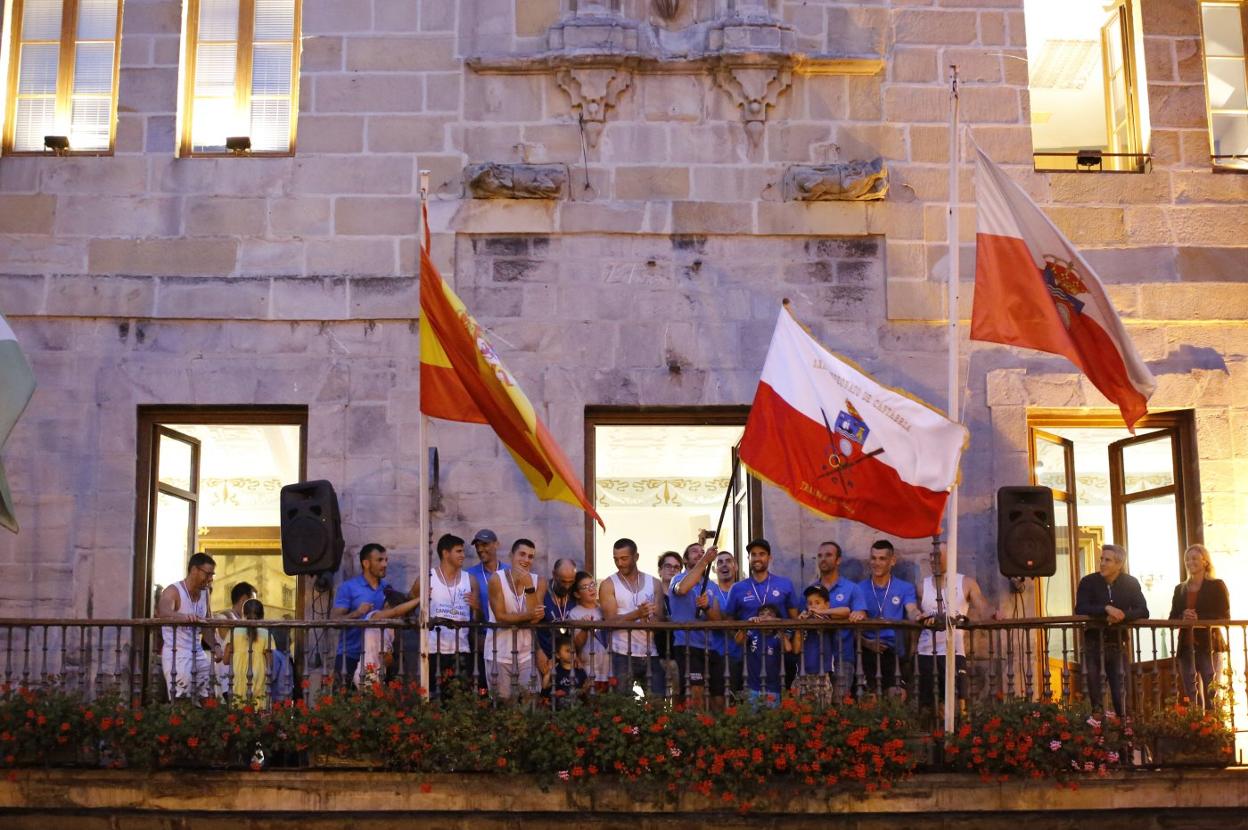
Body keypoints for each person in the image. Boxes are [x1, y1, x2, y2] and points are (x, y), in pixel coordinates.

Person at [1075, 543, 1148, 715]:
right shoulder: (1088, 581)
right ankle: (1098, 728)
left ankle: (1124, 728)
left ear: (1119, 564)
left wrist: (1122, 615)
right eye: (1101, 559)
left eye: (1107, 560)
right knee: (1095, 699)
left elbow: (1143, 611)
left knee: (1121, 696)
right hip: (1092, 646)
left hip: (1117, 645)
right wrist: (1106, 609)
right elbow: (1081, 608)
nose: (1102, 563)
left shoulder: (1130, 583)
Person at [915, 542, 988, 710]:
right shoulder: (921, 587)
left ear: (950, 556)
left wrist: (994, 614)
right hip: (926, 652)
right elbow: (913, 611)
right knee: (929, 706)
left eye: (937, 555)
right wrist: (919, 616)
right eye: (931, 555)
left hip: (954, 651)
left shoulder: (966, 583)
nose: (933, 559)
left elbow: (982, 605)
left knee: (959, 702)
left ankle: (959, 728)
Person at [848, 540, 919, 696]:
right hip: (866, 650)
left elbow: (911, 609)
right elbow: (857, 617)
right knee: (868, 698)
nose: (876, 563)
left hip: (893, 651)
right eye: (873, 558)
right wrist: (867, 643)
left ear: (892, 561)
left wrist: (918, 615)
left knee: (897, 695)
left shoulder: (905, 588)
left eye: (882, 558)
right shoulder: (859, 588)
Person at [599, 538, 666, 697]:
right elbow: (609, 621)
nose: (619, 563)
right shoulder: (608, 584)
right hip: (620, 652)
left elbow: (660, 619)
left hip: (650, 651)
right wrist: (637, 614)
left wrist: (648, 620)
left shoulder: (654, 583)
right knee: (622, 703)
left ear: (636, 557)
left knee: (658, 700)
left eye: (624, 558)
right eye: (616, 559)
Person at [1168, 543, 1229, 709]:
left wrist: (1199, 618)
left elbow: (1224, 616)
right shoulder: (1180, 589)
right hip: (1186, 645)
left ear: (1205, 561)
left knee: (1212, 692)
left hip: (1209, 645)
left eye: (1194, 558)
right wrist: (1182, 617)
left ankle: (1214, 723)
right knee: (1191, 692)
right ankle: (1195, 723)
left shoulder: (1217, 585)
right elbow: (1172, 617)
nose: (1190, 562)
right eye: (1187, 559)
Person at [485, 539, 547, 700]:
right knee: (503, 701)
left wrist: (529, 587)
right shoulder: (496, 579)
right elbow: (500, 617)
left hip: (526, 653)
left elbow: (536, 620)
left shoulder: (539, 581)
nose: (526, 560)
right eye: (522, 554)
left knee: (531, 697)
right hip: (499, 652)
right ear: (511, 555)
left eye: (530, 556)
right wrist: (529, 616)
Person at [157, 552, 223, 701]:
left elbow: (207, 625)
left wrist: (216, 646)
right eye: (208, 574)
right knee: (182, 702)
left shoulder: (205, 593)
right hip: (177, 654)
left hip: (197, 652)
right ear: (194, 570)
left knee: (209, 697)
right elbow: (163, 611)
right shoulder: (173, 590)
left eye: (212, 575)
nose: (210, 579)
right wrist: (184, 617)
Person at [668, 536, 725, 709]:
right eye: (694, 551)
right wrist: (704, 561)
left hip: (710, 647)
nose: (699, 554)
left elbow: (717, 619)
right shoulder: (678, 578)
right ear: (685, 559)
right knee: (695, 693)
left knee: (718, 696)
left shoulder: (712, 586)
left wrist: (706, 607)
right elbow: (682, 589)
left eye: (702, 552)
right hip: (687, 645)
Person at [331, 543, 392, 685]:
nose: (384, 564)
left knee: (377, 699)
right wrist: (357, 613)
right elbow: (335, 621)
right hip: (349, 655)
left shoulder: (387, 589)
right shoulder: (348, 587)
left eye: (386, 560)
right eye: (379, 560)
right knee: (343, 697)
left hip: (377, 656)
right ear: (366, 563)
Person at [428, 533, 480, 697]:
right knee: (434, 698)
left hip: (461, 649)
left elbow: (477, 620)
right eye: (459, 551)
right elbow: (412, 604)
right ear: (445, 553)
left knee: (460, 699)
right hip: (434, 650)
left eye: (463, 551)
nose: (463, 555)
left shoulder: (470, 580)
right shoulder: (428, 578)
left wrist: (477, 608)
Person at [804, 541, 857, 694]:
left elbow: (858, 613)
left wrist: (824, 612)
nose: (823, 559)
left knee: (839, 702)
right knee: (815, 702)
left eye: (828, 555)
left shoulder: (852, 588)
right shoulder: (811, 590)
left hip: (843, 655)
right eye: (820, 556)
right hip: (815, 658)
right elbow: (804, 613)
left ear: (838, 560)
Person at [465, 529, 507, 691]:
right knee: (482, 687)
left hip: (506, 638)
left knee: (505, 688)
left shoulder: (509, 572)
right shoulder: (469, 575)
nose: (480, 549)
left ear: (496, 544)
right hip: (481, 638)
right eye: (477, 545)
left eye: (485, 544)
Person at [355, 587, 421, 688]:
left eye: (401, 617)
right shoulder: (374, 616)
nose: (398, 618)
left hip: (379, 674)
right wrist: (420, 599)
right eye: (399, 616)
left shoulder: (391, 630)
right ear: (386, 605)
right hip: (366, 672)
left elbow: (386, 659)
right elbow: (395, 611)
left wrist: (388, 657)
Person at [739, 604, 791, 707]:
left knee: (772, 716)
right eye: (762, 614)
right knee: (751, 716)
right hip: (752, 686)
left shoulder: (778, 635)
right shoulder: (753, 632)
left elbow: (788, 648)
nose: (765, 617)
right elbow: (739, 641)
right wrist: (748, 624)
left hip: (773, 687)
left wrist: (779, 626)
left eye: (770, 615)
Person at [568, 571, 611, 691]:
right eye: (585, 587)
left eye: (592, 584)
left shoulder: (604, 609)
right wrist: (584, 628)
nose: (591, 589)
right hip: (589, 668)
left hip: (608, 666)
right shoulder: (575, 613)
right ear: (577, 594)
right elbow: (577, 644)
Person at [793, 585, 836, 705]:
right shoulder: (804, 620)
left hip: (822, 674)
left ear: (826, 605)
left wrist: (821, 612)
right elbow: (796, 650)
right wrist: (799, 626)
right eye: (810, 603)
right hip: (802, 673)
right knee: (800, 710)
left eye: (817, 602)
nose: (813, 606)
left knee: (822, 710)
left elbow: (845, 611)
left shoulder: (828, 619)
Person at [538, 558, 580, 674]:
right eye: (563, 581)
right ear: (554, 574)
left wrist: (577, 653)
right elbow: (532, 624)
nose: (567, 586)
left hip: (567, 660)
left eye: (571, 582)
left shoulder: (575, 593)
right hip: (545, 657)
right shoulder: (542, 591)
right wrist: (538, 651)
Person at [217, 581, 258, 698]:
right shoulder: (224, 617)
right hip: (229, 682)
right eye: (253, 602)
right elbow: (229, 637)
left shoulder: (241, 620)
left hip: (241, 680)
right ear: (244, 599)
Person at [712, 550, 744, 697]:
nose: (724, 565)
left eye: (728, 561)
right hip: (719, 656)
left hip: (746, 654)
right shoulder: (710, 592)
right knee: (724, 699)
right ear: (714, 569)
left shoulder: (744, 591)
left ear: (735, 566)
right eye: (720, 562)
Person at [230, 598, 269, 707]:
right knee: (258, 705)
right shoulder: (266, 633)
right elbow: (270, 661)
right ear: (262, 616)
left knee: (238, 704)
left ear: (243, 614)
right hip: (258, 674)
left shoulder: (234, 631)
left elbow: (225, 660)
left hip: (238, 674)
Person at [542, 634, 589, 709]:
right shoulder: (556, 671)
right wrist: (548, 673)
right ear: (558, 655)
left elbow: (585, 687)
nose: (571, 653)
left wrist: (585, 687)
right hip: (560, 709)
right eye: (567, 651)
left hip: (577, 708)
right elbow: (545, 686)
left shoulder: (580, 670)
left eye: (573, 651)